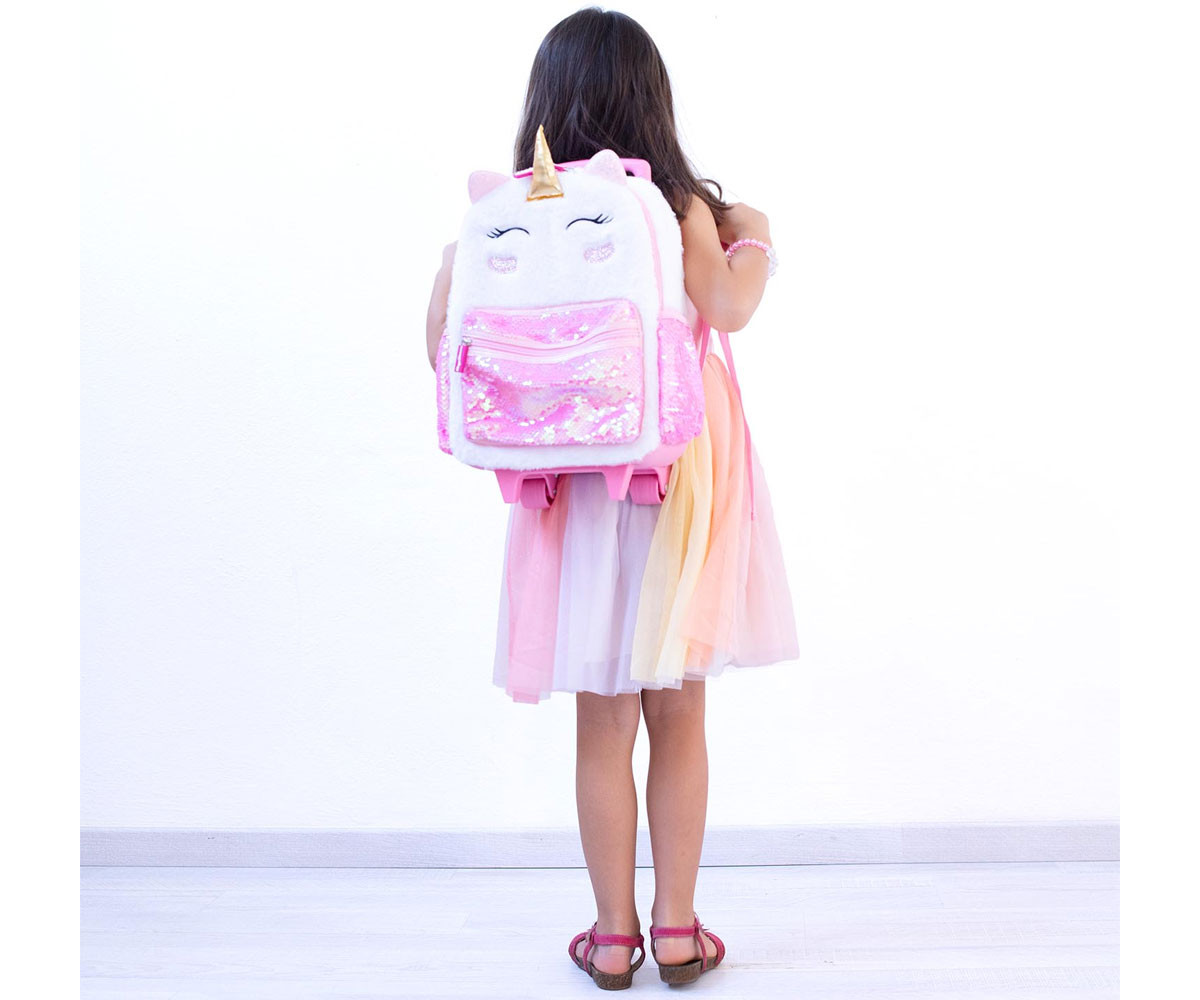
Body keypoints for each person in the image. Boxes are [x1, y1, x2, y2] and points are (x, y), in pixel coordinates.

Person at [425, 7, 799, 989]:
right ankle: (677, 931)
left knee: (602, 721)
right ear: (652, 100)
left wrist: (454, 266)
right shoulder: (672, 203)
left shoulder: (511, 215)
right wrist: (756, 236)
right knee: (678, 716)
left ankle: (611, 935)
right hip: (676, 475)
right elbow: (728, 308)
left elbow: (442, 352)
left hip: (570, 490)